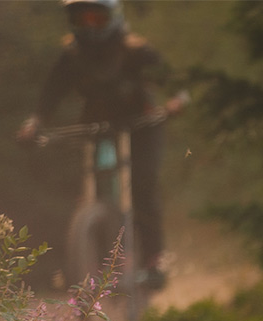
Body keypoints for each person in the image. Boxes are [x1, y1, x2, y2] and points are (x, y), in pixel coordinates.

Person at [15, 0, 183, 290]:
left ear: (113, 18)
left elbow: (173, 82)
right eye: (83, 19)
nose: (90, 26)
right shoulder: (72, 56)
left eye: (97, 17)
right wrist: (34, 123)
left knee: (142, 184)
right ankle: (84, 253)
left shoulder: (136, 51)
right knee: (79, 184)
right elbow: (50, 93)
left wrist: (178, 100)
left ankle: (154, 261)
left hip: (142, 125)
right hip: (97, 126)